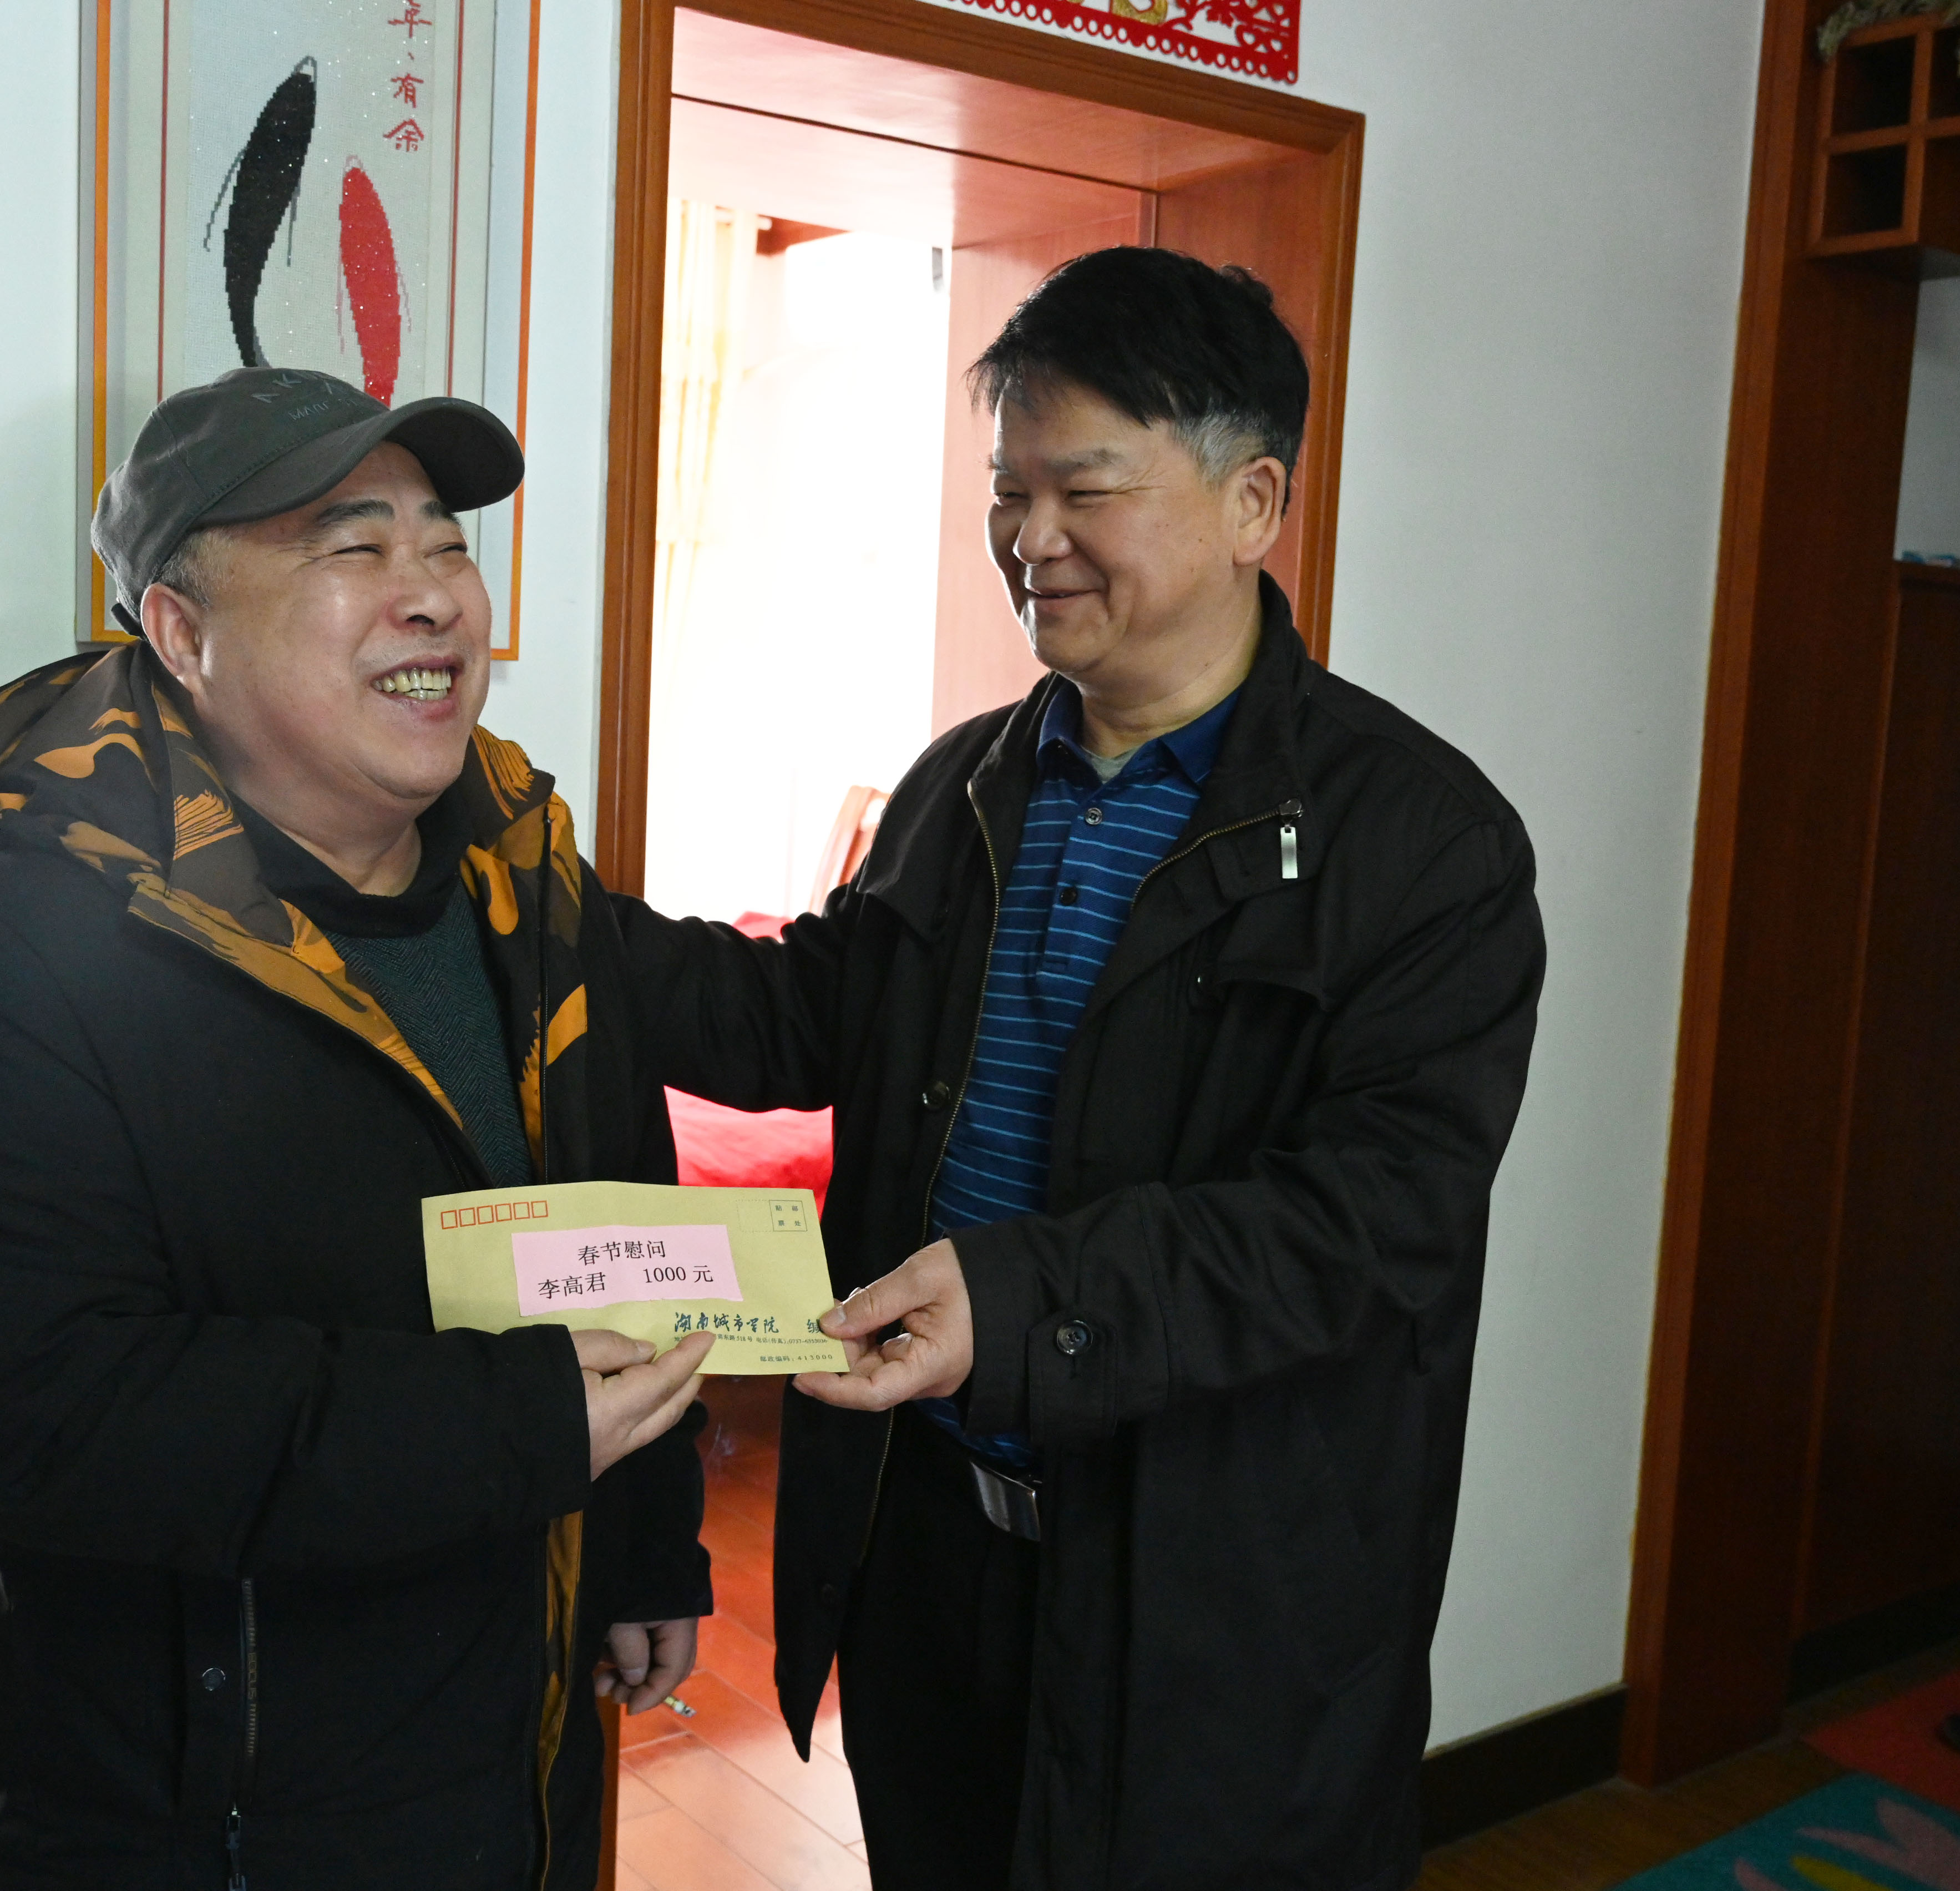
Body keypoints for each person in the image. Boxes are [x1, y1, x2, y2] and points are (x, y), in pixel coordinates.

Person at [614, 247, 1547, 1890]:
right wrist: (533, 910)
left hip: (1210, 1600)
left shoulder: (1421, 844)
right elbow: (809, 1016)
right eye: (1007, 490)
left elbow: (1370, 1225)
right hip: (930, 1549)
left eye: (1084, 490)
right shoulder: (964, 783)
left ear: (1253, 502)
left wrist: (1023, 1298)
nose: (1028, 538)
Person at [0, 366, 717, 1890]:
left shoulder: (527, 899)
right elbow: (42, 1416)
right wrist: (519, 1425)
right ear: (182, 635)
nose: (433, 597)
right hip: (201, 1822)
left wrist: (641, 1536)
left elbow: (611, 1231)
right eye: (351, 547)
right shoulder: (11, 956)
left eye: (446, 546)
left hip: (509, 1764)